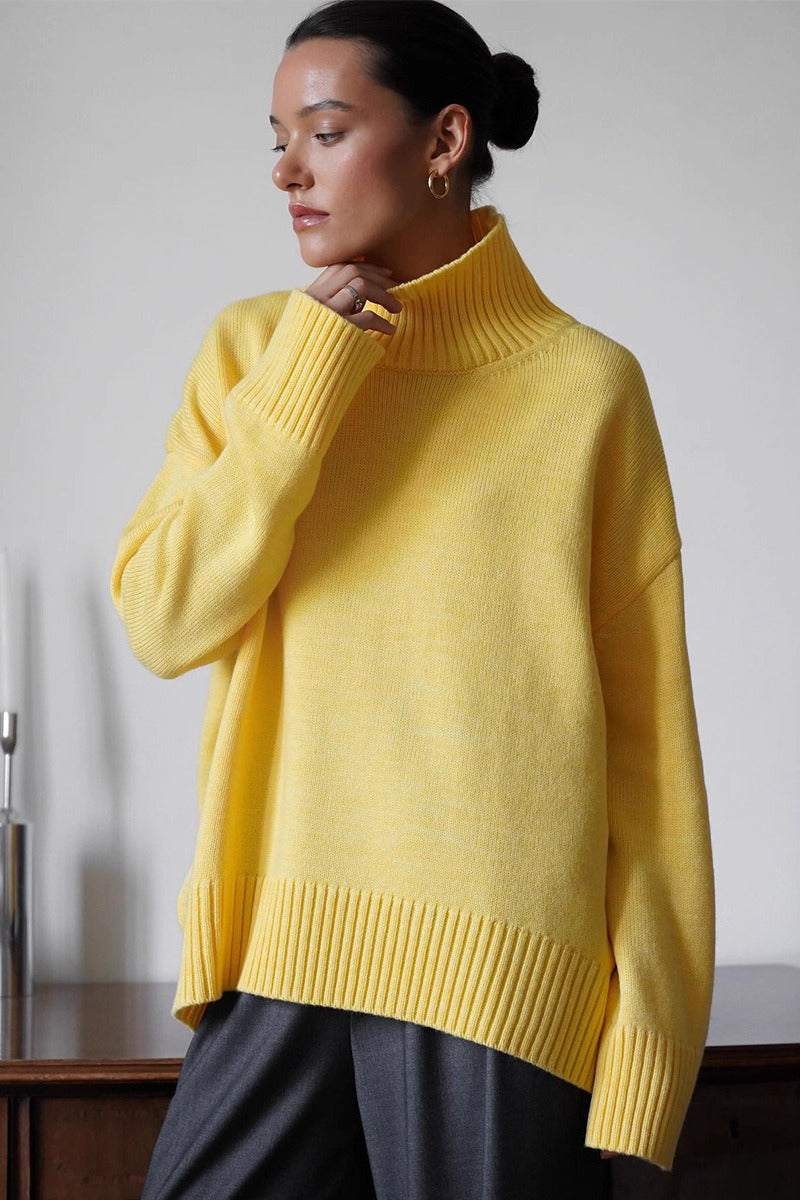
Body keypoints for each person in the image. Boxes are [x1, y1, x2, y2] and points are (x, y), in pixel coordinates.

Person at [110, 1, 715, 1196]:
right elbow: (164, 621)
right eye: (277, 139)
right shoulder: (254, 354)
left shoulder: (584, 389)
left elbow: (648, 756)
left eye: (325, 132)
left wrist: (648, 1055)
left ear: (443, 141)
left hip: (497, 979)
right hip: (276, 947)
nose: (286, 171)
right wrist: (306, 381)